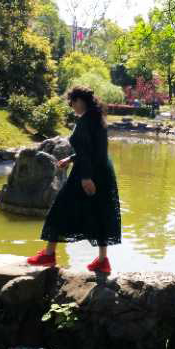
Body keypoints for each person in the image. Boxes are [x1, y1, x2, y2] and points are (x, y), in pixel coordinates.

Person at [27, 86, 122, 272]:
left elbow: (87, 152)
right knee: (100, 212)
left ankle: (48, 255)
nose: (71, 106)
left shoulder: (86, 121)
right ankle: (103, 261)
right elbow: (92, 150)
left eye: (72, 102)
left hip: (87, 173)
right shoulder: (96, 119)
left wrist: (86, 177)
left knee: (60, 209)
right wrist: (70, 158)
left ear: (80, 100)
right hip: (103, 171)